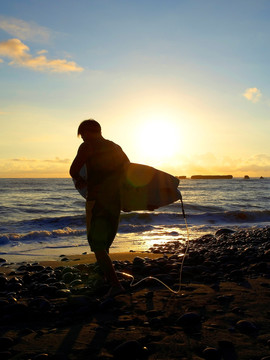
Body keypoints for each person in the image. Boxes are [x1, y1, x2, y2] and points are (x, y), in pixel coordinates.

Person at [69, 119, 130, 298]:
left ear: (86, 132)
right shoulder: (115, 147)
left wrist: (80, 181)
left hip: (97, 199)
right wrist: (127, 199)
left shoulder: (87, 146)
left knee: (97, 244)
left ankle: (115, 284)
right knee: (105, 240)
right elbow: (129, 171)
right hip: (115, 200)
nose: (82, 139)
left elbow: (73, 170)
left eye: (82, 135)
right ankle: (105, 278)